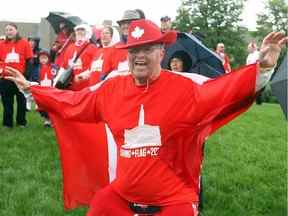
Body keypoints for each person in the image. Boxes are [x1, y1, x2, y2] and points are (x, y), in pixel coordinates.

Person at [5, 19, 287, 216]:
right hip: (122, 194)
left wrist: (263, 66)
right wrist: (32, 87)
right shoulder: (112, 88)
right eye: (134, 50)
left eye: (147, 49)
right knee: (100, 205)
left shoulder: (187, 88)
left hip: (174, 198)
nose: (139, 56)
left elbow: (228, 89)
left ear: (161, 52)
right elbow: (75, 101)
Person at [0, 23, 33, 128]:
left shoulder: (24, 43)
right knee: (7, 101)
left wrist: (26, 75)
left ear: (16, 30)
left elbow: (29, 60)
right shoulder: (1, 44)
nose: (9, 32)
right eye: (7, 30)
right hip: (6, 78)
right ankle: (7, 123)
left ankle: (21, 122)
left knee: (21, 100)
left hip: (20, 78)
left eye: (11, 29)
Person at [54, 23, 98, 91]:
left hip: (85, 87)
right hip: (69, 86)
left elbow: (94, 68)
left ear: (88, 32)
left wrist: (84, 76)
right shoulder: (70, 47)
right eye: (77, 30)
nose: (79, 31)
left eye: (82, 30)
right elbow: (63, 67)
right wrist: (57, 80)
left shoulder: (93, 48)